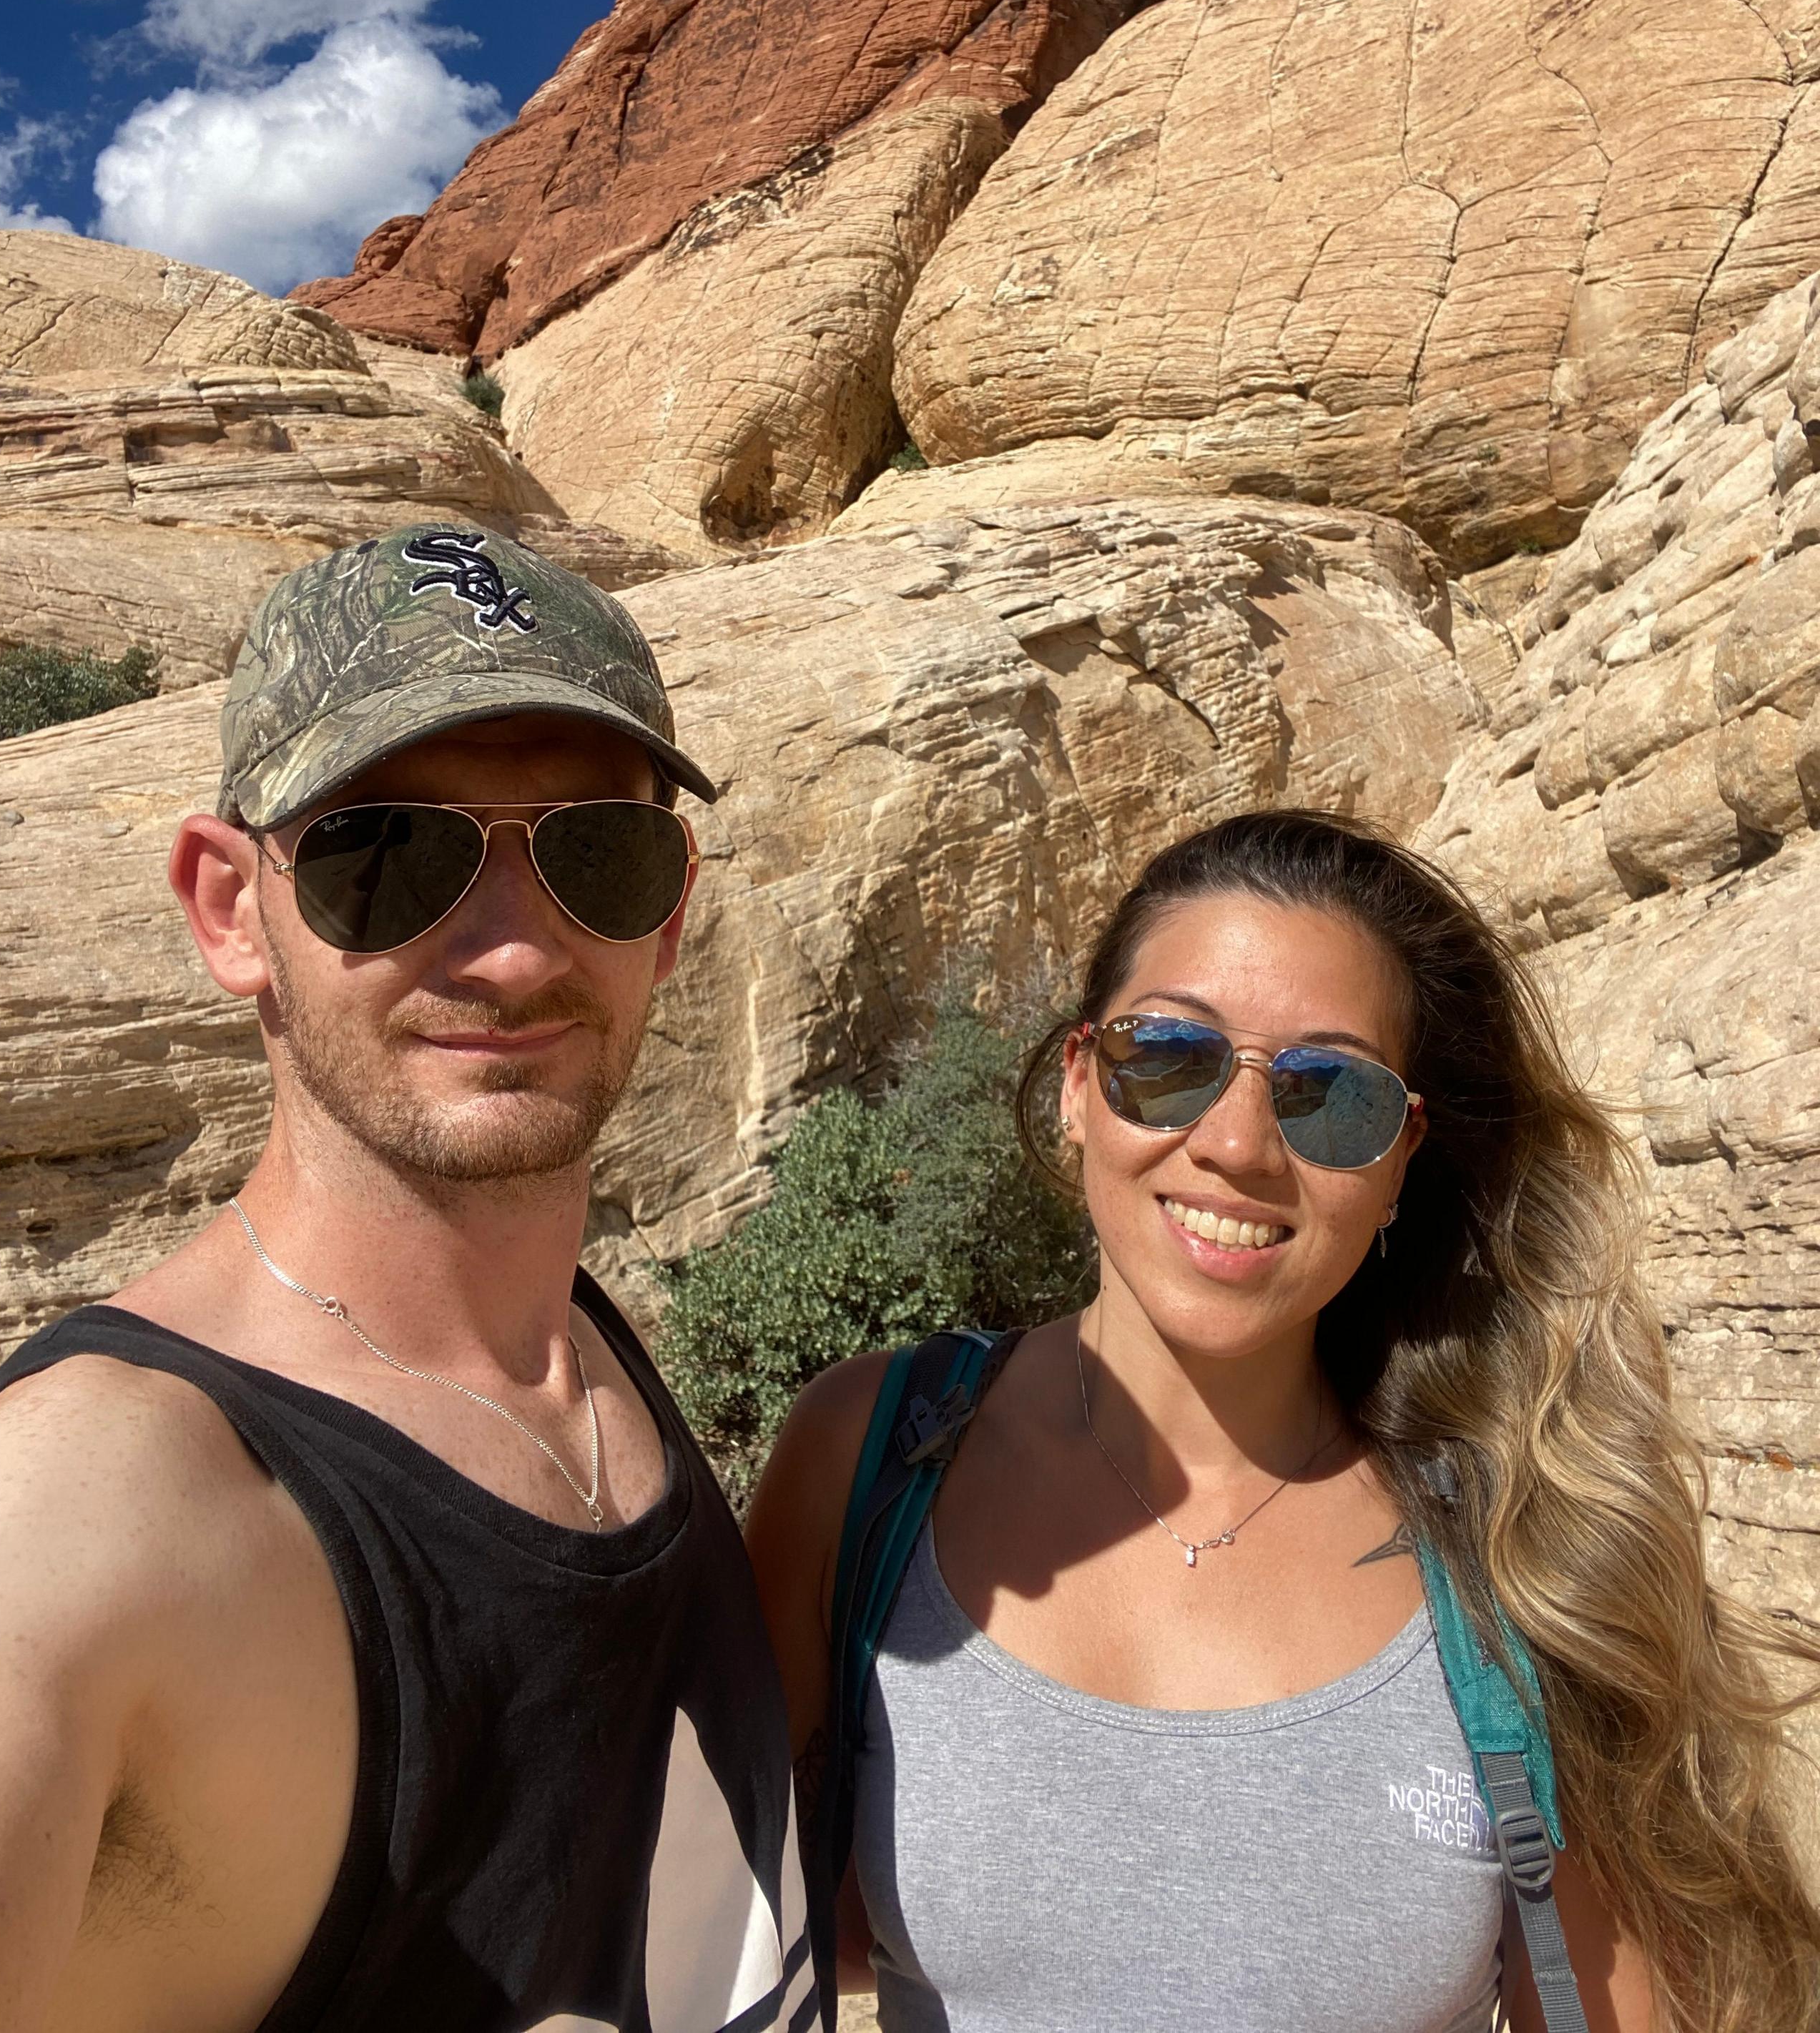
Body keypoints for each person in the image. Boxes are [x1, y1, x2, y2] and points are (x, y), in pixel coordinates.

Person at [749, 811, 1820, 2033]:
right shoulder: (868, 1459)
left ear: (1403, 1157)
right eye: (1169, 1055)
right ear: (1078, 1086)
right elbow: (734, 1926)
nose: (1240, 1144)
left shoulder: (1522, 1553)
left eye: (1334, 1097)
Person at [0, 525, 816, 2033]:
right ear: (232, 910)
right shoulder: (89, 1507)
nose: (510, 953)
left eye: (596, 853)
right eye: (391, 855)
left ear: (672, 912)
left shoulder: (579, 1354)